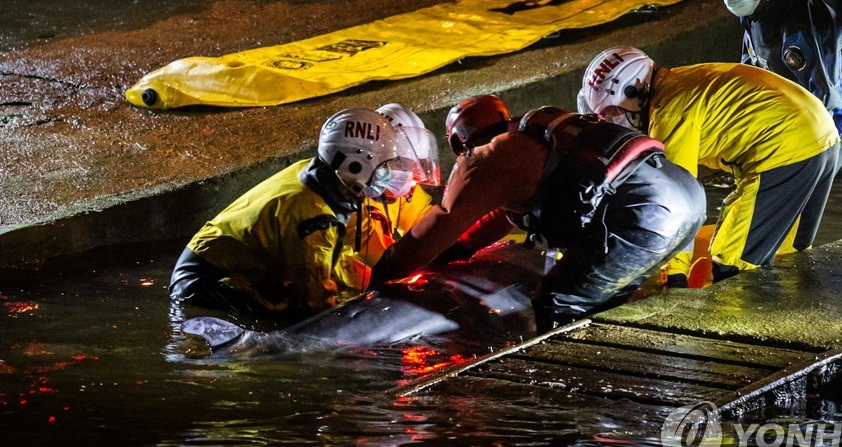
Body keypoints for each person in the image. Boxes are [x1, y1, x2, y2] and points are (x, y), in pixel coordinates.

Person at [370, 94, 707, 331]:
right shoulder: (536, 137)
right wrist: (457, 253)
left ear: (460, 143)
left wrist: (383, 273)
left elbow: (443, 221)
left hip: (646, 209)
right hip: (686, 194)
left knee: (559, 302)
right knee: (604, 300)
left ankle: (572, 408)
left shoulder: (488, 157)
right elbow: (498, 217)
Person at [579, 47, 839, 285]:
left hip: (784, 150)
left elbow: (677, 203)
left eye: (613, 112)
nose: (616, 120)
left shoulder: (669, 110)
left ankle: (737, 333)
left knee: (732, 264)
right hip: (822, 135)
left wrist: (674, 275)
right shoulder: (681, 81)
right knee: (789, 255)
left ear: (633, 91)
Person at [168, 107, 404, 318]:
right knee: (291, 316)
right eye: (384, 167)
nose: (387, 174)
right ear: (357, 165)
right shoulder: (315, 220)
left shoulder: (317, 175)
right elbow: (316, 302)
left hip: (210, 267)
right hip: (204, 283)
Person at [702, 0, 842, 169]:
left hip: (833, 119)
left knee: (802, 194)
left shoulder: (803, 20)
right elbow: (752, 74)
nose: (728, 0)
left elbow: (825, 98)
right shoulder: (755, 11)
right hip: (791, 112)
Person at [344, 103, 441, 267]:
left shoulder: (396, 190)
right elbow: (381, 265)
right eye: (403, 165)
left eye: (415, 166)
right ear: (373, 158)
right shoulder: (343, 198)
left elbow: (433, 230)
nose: (411, 177)